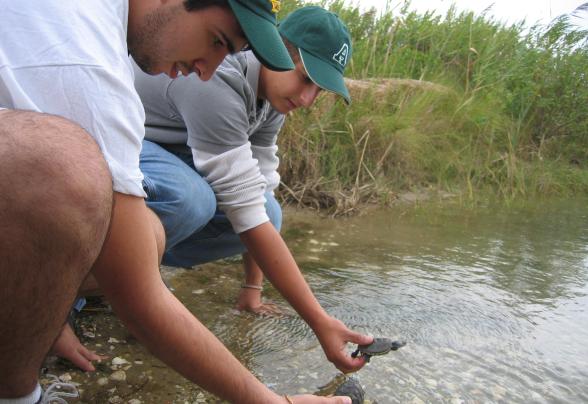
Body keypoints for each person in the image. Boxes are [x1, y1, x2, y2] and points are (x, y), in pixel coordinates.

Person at [1, 0, 356, 402]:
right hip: (130, 157)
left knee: (262, 213)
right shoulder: (87, 66)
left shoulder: (113, 32)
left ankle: (63, 290)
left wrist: (251, 288)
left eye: (229, 50)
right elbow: (140, 294)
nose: (207, 70)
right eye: (216, 40)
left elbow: (257, 202)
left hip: (132, 154)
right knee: (175, 200)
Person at [134, 3, 371, 376]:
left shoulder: (274, 99)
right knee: (191, 199)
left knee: (270, 211)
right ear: (276, 51)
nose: (307, 100)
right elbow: (244, 212)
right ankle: (98, 283)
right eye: (305, 78)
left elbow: (258, 198)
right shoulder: (218, 74)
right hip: (130, 140)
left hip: (177, 152)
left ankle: (128, 272)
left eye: (319, 90)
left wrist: (252, 289)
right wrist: (319, 321)